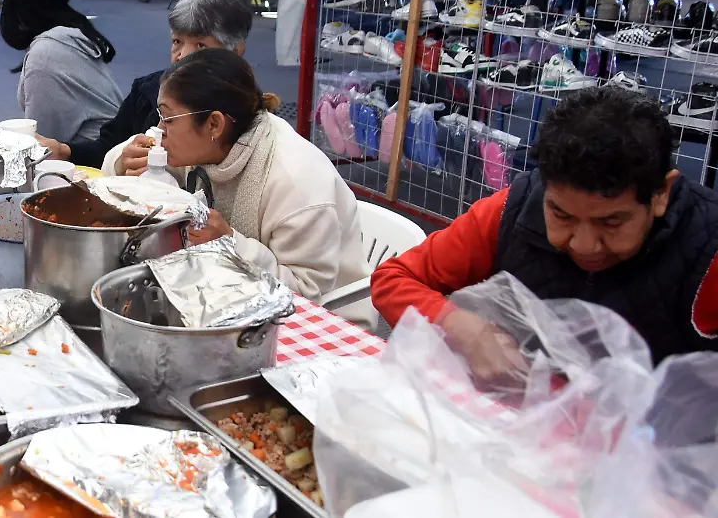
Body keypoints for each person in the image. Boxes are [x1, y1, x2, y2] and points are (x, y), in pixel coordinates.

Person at [371, 87, 718, 370]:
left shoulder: (708, 252)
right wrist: (458, 326)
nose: (585, 245)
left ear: (661, 194)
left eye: (611, 222)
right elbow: (394, 280)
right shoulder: (516, 207)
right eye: (562, 215)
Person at [156, 48, 370, 299]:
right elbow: (153, 173)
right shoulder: (221, 139)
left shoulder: (293, 180)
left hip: (327, 317)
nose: (160, 129)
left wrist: (231, 245)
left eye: (168, 118)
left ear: (214, 124)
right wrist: (124, 159)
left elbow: (307, 291)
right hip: (236, 295)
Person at [37, 0, 254, 170]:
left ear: (235, 51)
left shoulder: (246, 120)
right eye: (177, 42)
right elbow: (107, 147)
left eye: (200, 45)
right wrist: (65, 152)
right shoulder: (148, 93)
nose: (183, 56)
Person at [2, 0, 121, 146]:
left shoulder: (45, 54)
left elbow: (40, 145)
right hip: (105, 152)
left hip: (91, 165)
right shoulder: (73, 34)